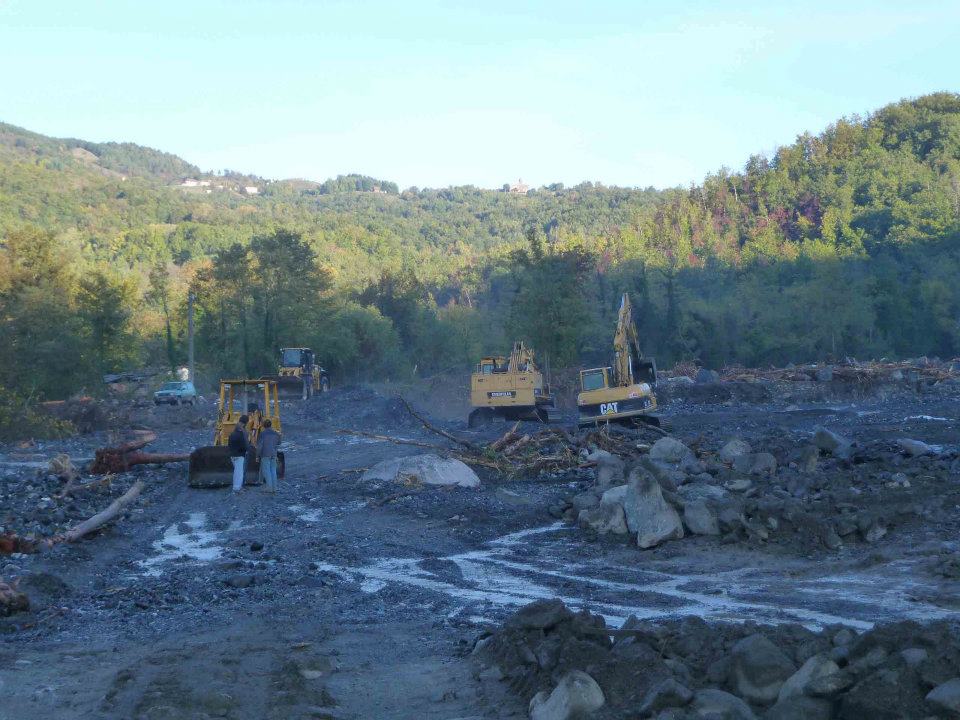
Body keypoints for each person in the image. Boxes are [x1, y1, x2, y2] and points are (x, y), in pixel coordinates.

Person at [257, 418, 282, 492]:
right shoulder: (276, 433)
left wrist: (257, 455)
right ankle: (274, 488)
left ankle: (269, 488)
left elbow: (260, 446)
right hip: (273, 454)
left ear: (264, 426)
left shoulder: (262, 434)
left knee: (266, 471)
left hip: (265, 454)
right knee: (273, 471)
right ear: (271, 425)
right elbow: (279, 443)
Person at [228, 415, 249, 493]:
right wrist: (247, 450)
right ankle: (237, 488)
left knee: (236, 472)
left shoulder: (232, 433)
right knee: (239, 472)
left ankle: (237, 486)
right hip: (240, 455)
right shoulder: (242, 433)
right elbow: (245, 445)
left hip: (232, 455)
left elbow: (229, 444)